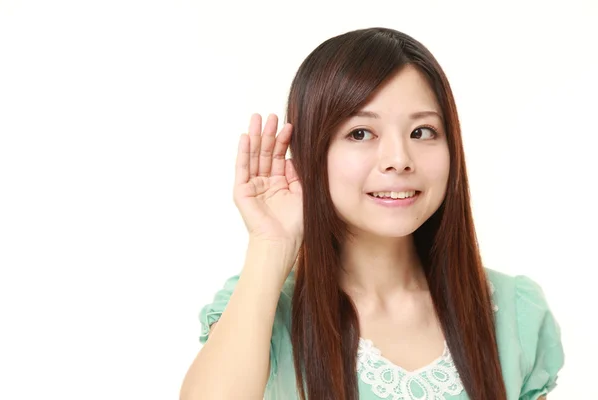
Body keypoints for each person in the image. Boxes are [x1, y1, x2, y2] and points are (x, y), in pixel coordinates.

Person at [179, 27, 564, 400]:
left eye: (422, 132)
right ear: (313, 152)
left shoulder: (515, 314)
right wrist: (270, 245)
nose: (398, 160)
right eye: (361, 133)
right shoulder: (260, 306)